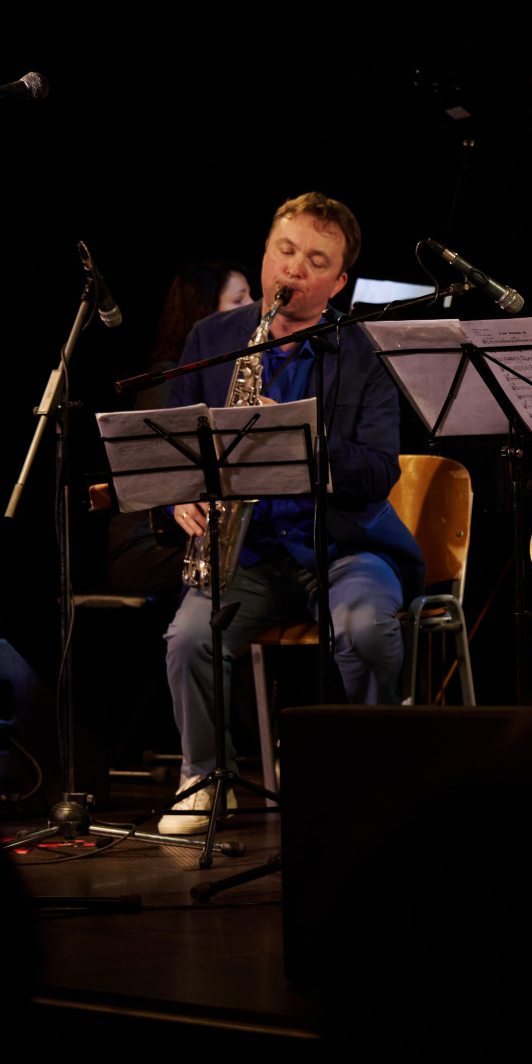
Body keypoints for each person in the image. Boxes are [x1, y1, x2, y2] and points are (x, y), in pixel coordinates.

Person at [161, 193, 423, 833]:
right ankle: (203, 775)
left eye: (315, 261)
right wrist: (180, 494)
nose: (294, 270)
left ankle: (379, 771)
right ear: (265, 251)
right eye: (285, 251)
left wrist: (296, 444)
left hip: (344, 544)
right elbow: (173, 444)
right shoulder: (213, 337)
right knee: (187, 639)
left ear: (338, 282)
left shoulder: (364, 350)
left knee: (364, 628)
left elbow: (377, 470)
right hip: (246, 551)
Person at [106, 260, 255, 596]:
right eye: (239, 300)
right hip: (150, 545)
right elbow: (162, 480)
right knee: (247, 571)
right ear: (205, 312)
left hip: (187, 538)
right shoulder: (168, 381)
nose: (251, 308)